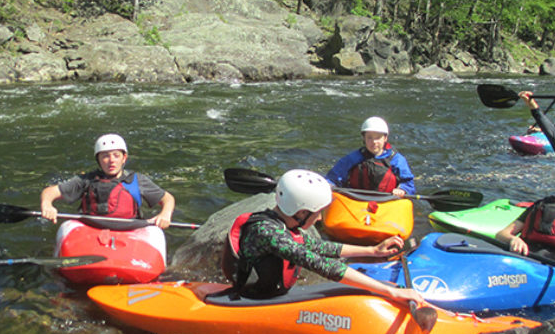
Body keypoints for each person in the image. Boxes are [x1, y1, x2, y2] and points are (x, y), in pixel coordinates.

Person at [223, 169, 428, 304]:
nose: (320, 218)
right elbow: (322, 265)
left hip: (270, 295)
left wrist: (372, 251)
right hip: (253, 300)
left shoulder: (283, 225)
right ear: (301, 212)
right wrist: (390, 291)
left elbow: (319, 248)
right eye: (317, 212)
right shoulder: (268, 233)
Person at [39, 134, 175, 229]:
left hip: (131, 228)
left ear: (124, 158)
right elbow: (50, 191)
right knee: (66, 226)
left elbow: (167, 198)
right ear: (98, 159)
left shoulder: (137, 180)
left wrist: (165, 214)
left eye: (116, 155)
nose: (111, 161)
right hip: (90, 227)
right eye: (105, 156)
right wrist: (47, 205)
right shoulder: (86, 180)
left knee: (155, 230)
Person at [325, 116, 416, 196]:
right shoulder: (353, 158)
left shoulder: (397, 160)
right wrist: (330, 185)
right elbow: (333, 178)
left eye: (378, 138)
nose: (374, 142)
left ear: (385, 138)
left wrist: (403, 189)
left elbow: (408, 183)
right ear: (364, 138)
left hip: (387, 201)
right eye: (369, 137)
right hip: (355, 199)